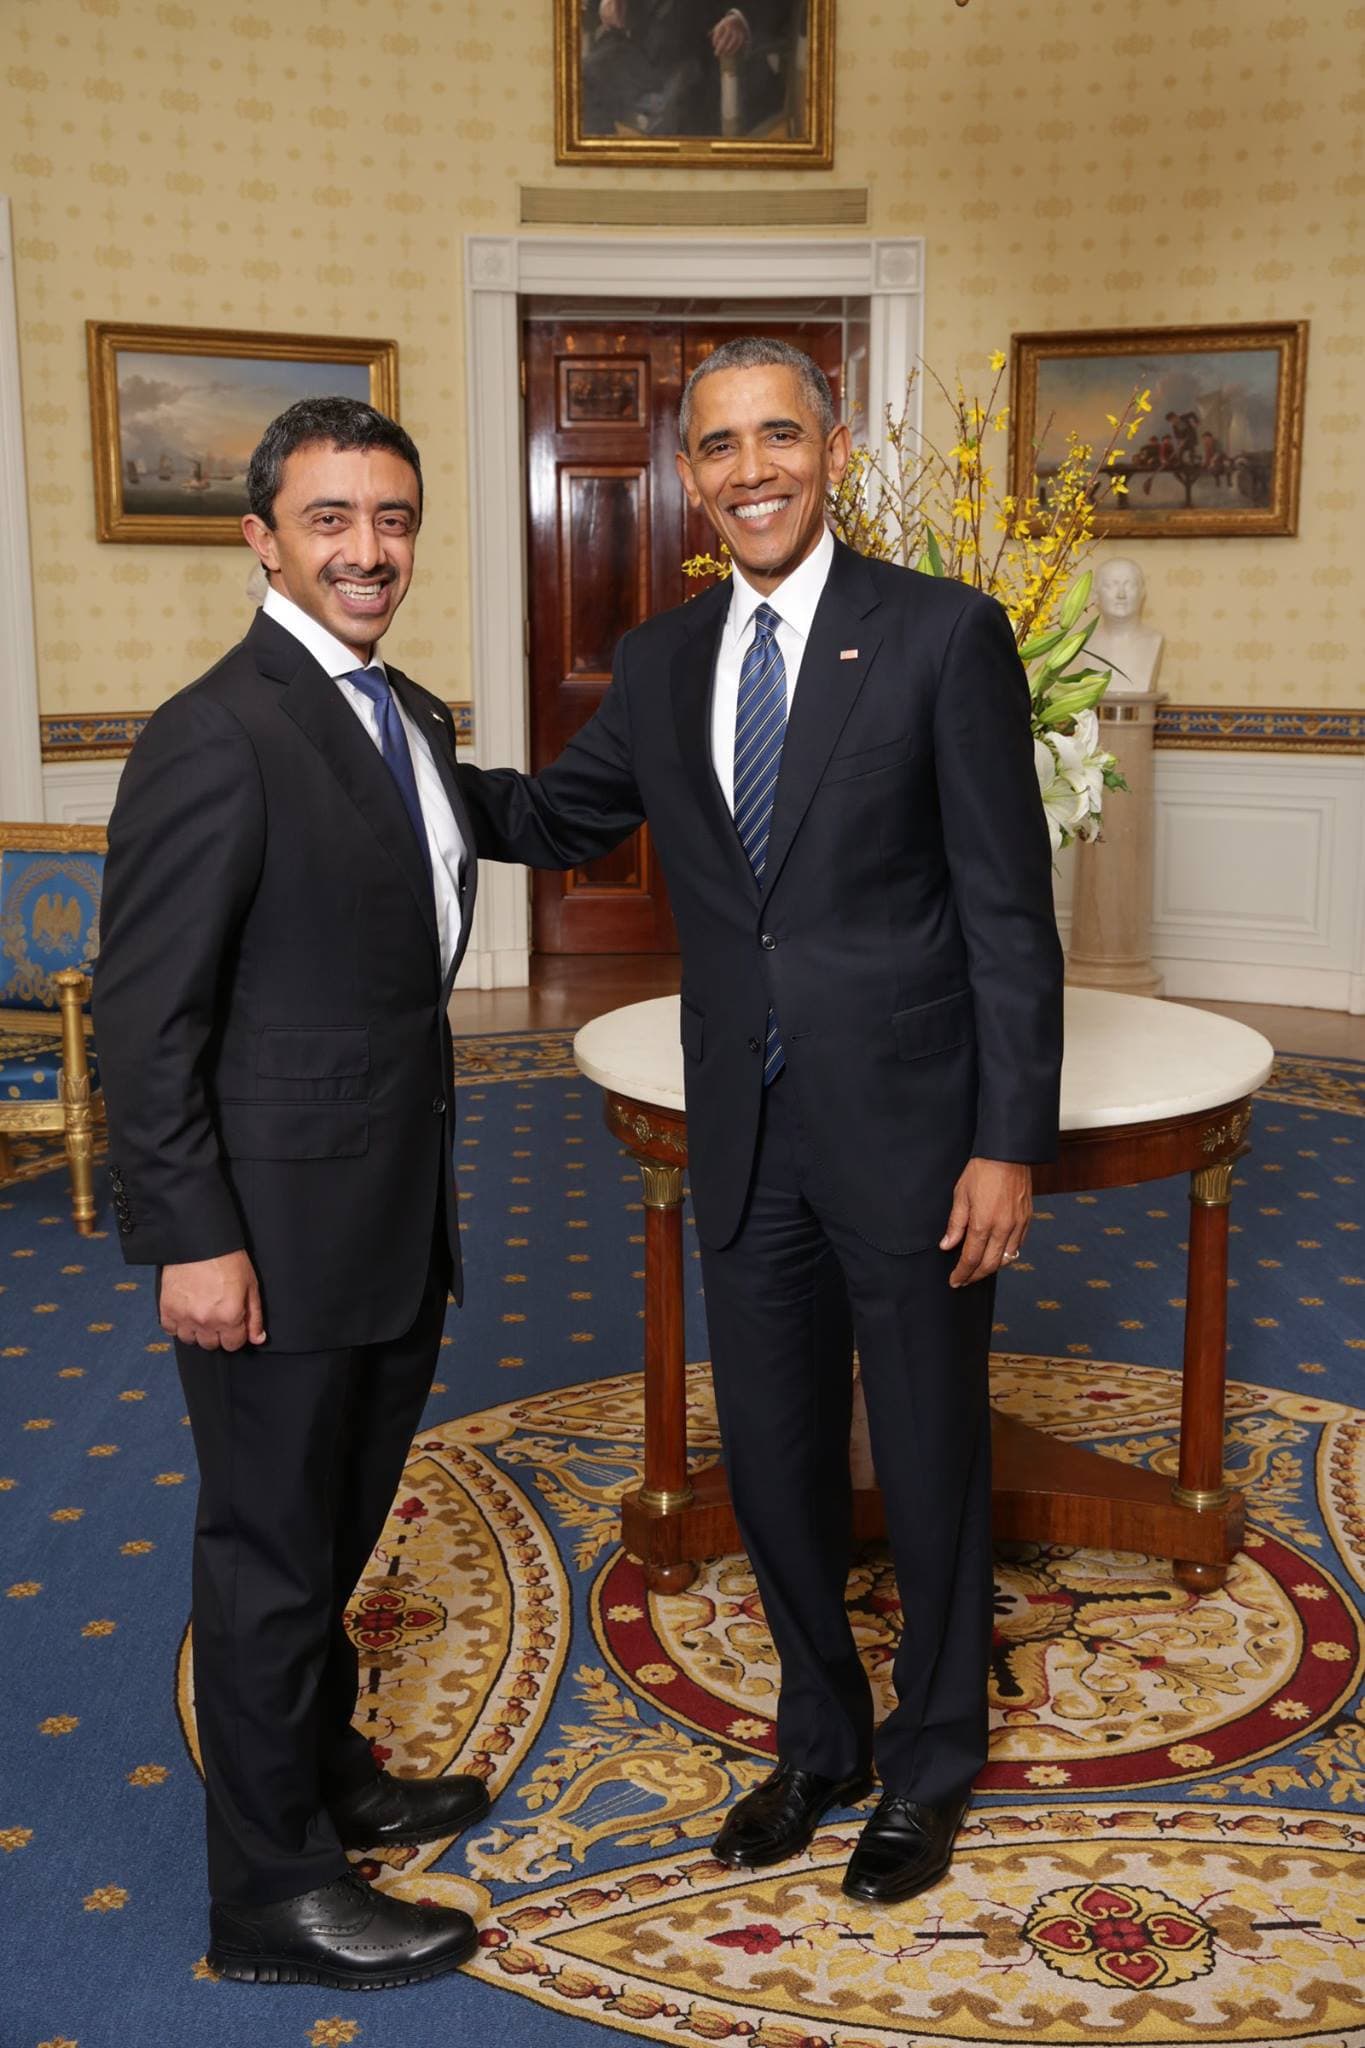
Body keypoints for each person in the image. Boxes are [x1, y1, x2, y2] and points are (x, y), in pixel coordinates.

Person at [456, 338, 1064, 1905]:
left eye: (776, 436)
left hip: (918, 1132)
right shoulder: (661, 663)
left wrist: (1009, 1138)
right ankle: (822, 1737)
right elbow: (552, 818)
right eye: (717, 447)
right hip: (740, 1123)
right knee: (777, 1454)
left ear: (833, 448)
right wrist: (377, 732)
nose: (749, 471)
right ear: (689, 477)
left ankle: (932, 1759)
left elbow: (1008, 912)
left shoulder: (942, 635)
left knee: (927, 1455)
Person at [93, 396, 489, 1989]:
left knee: (330, 1538)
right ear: (261, 538)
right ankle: (267, 1893)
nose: (368, 549)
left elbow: (451, 848)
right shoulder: (219, 728)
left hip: (384, 1218)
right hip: (264, 1238)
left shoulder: (398, 715)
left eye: (389, 519)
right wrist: (191, 1238)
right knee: (268, 1556)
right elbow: (145, 1013)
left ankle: (321, 1783)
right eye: (331, 520)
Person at [1090, 556, 1164, 696]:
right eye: (1110, 585)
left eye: (1130, 585)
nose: (1121, 594)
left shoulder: (1154, 640)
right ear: (1095, 595)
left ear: (1142, 593)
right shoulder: (1084, 644)